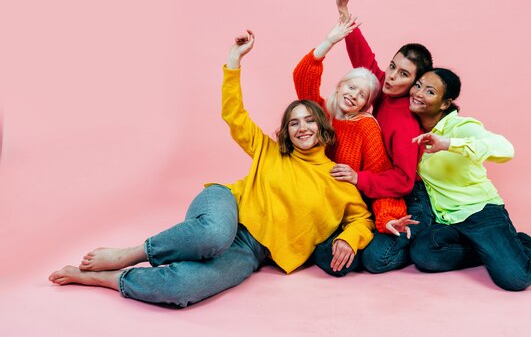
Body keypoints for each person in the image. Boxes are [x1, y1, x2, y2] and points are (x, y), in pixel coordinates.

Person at [48, 31, 374, 307]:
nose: (301, 128)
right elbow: (235, 116)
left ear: (323, 128)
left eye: (308, 121)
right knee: (214, 234)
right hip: (224, 205)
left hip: (251, 251)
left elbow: (362, 218)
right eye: (293, 123)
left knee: (181, 289)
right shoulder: (271, 152)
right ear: (286, 131)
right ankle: (131, 254)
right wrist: (234, 61)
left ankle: (107, 279)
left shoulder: (338, 179)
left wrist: (348, 238)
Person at [293, 15, 417, 276]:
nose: (354, 96)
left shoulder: (366, 126)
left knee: (335, 263)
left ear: (366, 104)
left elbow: (380, 171)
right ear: (339, 87)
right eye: (351, 87)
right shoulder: (322, 115)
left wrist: (388, 218)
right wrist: (329, 41)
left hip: (353, 209)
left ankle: (361, 245)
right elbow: (303, 78)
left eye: (362, 95)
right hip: (320, 202)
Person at [333, 0, 435, 273]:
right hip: (380, 189)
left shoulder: (404, 120)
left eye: (403, 74)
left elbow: (404, 180)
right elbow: (363, 59)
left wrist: (358, 178)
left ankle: (432, 238)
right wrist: (343, 8)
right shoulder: (383, 89)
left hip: (408, 196)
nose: (391, 76)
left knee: (377, 260)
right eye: (392, 66)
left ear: (415, 83)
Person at [409, 68, 531, 291]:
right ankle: (489, 251)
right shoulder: (410, 127)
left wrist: (449, 143)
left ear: (444, 103)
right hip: (448, 220)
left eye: (430, 91)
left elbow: (506, 149)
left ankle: (521, 242)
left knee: (516, 278)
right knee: (423, 254)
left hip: (480, 212)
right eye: (418, 85)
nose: (419, 93)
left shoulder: (461, 126)